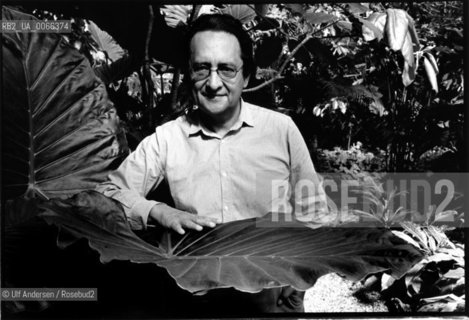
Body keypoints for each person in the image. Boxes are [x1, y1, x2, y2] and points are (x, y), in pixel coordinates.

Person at [97, 13, 328, 314]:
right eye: (202, 68)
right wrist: (158, 211)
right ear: (189, 72)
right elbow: (107, 193)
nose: (214, 83)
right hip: (195, 300)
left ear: (246, 77)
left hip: (269, 299)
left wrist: (296, 287)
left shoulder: (281, 130)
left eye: (227, 69)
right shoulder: (168, 139)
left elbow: (315, 211)